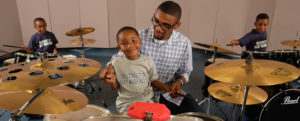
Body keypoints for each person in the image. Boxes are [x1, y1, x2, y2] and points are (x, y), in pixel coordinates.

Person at [100, 1, 202, 114]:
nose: (157, 28)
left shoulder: (184, 43)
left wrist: (179, 83)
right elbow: (117, 57)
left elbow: (185, 72)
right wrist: (109, 69)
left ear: (177, 25)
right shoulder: (137, 37)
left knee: (197, 114)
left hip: (167, 92)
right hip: (139, 94)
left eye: (165, 25)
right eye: (156, 21)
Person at [105, 26, 171, 113]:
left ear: (140, 41)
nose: (130, 45)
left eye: (134, 41)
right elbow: (115, 87)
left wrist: (166, 88)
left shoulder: (148, 61)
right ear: (119, 47)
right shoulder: (116, 63)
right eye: (124, 43)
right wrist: (112, 81)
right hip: (126, 104)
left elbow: (153, 81)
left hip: (147, 101)